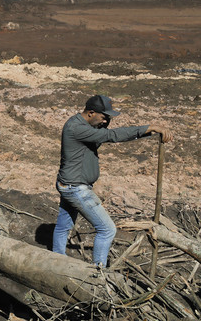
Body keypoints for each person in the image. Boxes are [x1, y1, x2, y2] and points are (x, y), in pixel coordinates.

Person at [52, 95, 173, 268]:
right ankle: (98, 272)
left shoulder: (84, 125)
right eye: (104, 117)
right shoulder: (76, 128)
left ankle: (56, 260)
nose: (105, 121)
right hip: (76, 188)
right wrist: (149, 127)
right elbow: (111, 136)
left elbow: (107, 134)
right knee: (107, 229)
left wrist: (147, 133)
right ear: (91, 113)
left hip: (70, 184)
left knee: (64, 225)